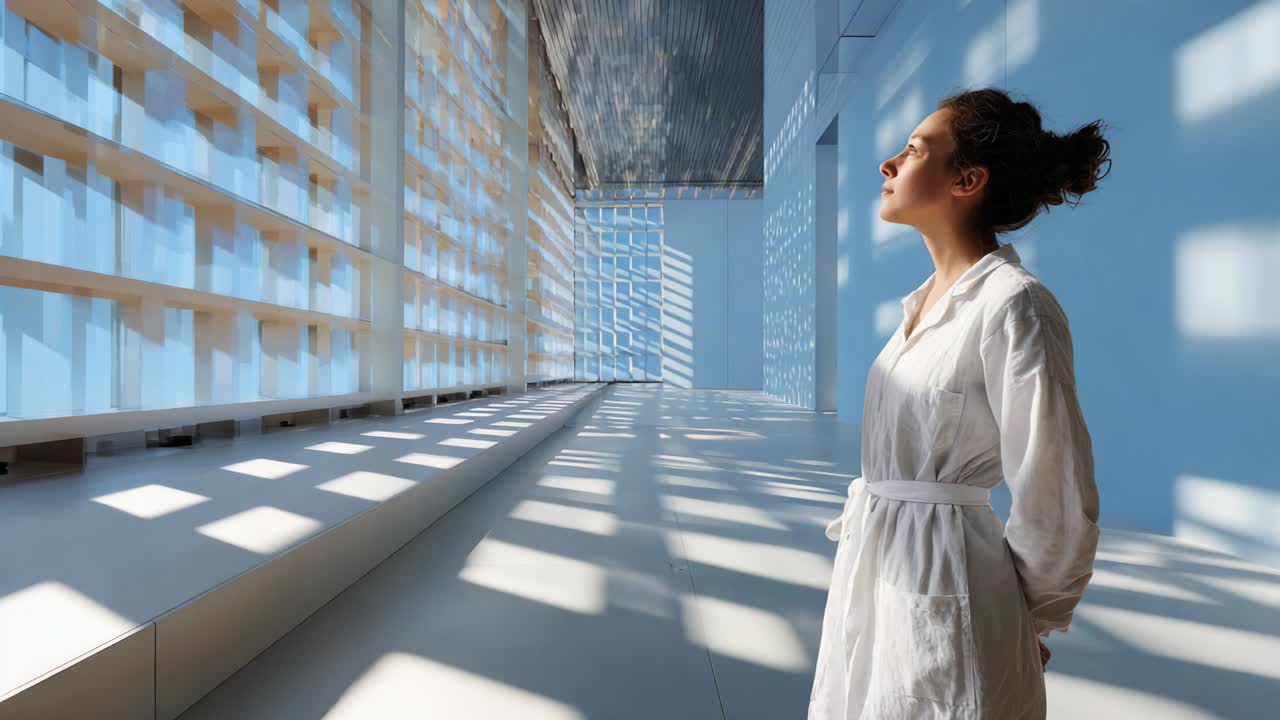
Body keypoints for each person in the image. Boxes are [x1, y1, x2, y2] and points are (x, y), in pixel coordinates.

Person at [808, 88, 1110, 719]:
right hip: (880, 571)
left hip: (955, 582)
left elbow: (1053, 486)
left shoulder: (1015, 306)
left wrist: (1030, 615)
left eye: (914, 150)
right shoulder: (918, 310)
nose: (888, 164)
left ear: (968, 180)